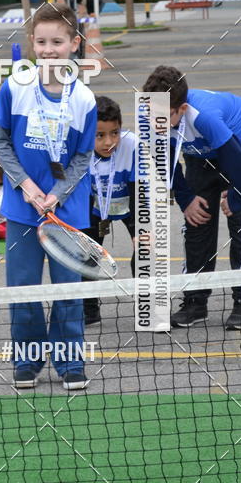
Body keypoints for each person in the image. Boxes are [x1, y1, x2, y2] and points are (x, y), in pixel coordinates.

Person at [0, 3, 96, 391]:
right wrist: (25, 185)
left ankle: (71, 363)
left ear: (73, 44)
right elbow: (0, 142)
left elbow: (84, 157)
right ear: (32, 44)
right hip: (22, 209)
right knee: (24, 288)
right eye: (41, 42)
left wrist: (56, 193)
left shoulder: (84, 98)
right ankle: (28, 360)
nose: (49, 49)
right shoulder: (15, 87)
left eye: (57, 41)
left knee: (68, 289)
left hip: (65, 213)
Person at [142, 66, 241, 329]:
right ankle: (195, 302)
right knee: (197, 224)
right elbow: (165, 162)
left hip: (237, 149)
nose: (156, 123)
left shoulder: (204, 116)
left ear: (182, 109)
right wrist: (186, 199)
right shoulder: (153, 111)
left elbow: (237, 162)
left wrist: (235, 197)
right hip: (200, 158)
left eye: (163, 117)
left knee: (240, 224)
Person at [83, 96, 136, 325]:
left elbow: (139, 191)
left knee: (145, 250)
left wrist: (139, 231)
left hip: (130, 203)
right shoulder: (80, 152)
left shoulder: (132, 145)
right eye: (100, 135)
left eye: (114, 133)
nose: (109, 142)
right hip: (95, 209)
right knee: (87, 256)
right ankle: (88, 310)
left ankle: (149, 305)